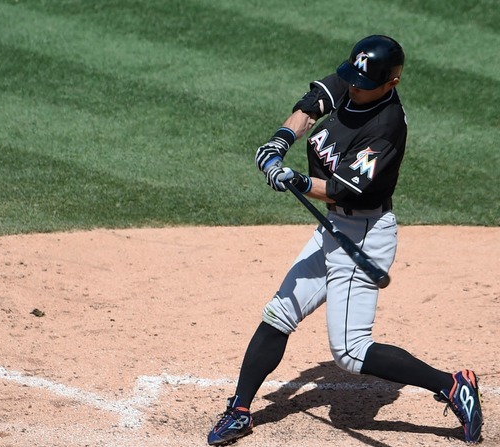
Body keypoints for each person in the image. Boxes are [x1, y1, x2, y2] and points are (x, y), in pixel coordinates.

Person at [207, 35, 483, 445]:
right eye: (351, 78)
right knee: (280, 311)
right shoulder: (354, 79)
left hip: (364, 235)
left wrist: (296, 179)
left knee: (351, 352)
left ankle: (452, 384)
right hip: (333, 228)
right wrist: (281, 140)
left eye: (363, 83)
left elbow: (339, 190)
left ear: (391, 83)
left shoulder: (385, 127)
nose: (353, 87)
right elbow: (309, 107)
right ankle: (240, 411)